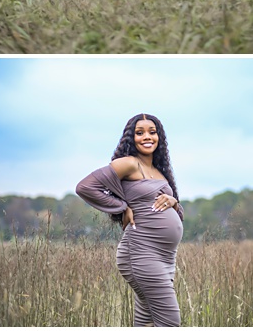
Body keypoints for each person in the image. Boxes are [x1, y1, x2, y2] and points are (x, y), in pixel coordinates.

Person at [76, 113, 183, 327]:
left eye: (152, 132)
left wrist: (173, 201)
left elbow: (176, 214)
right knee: (170, 323)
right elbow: (85, 187)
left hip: (165, 257)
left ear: (159, 137)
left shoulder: (159, 172)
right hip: (141, 253)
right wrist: (122, 207)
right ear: (130, 138)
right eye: (139, 132)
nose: (147, 137)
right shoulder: (129, 164)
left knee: (147, 323)